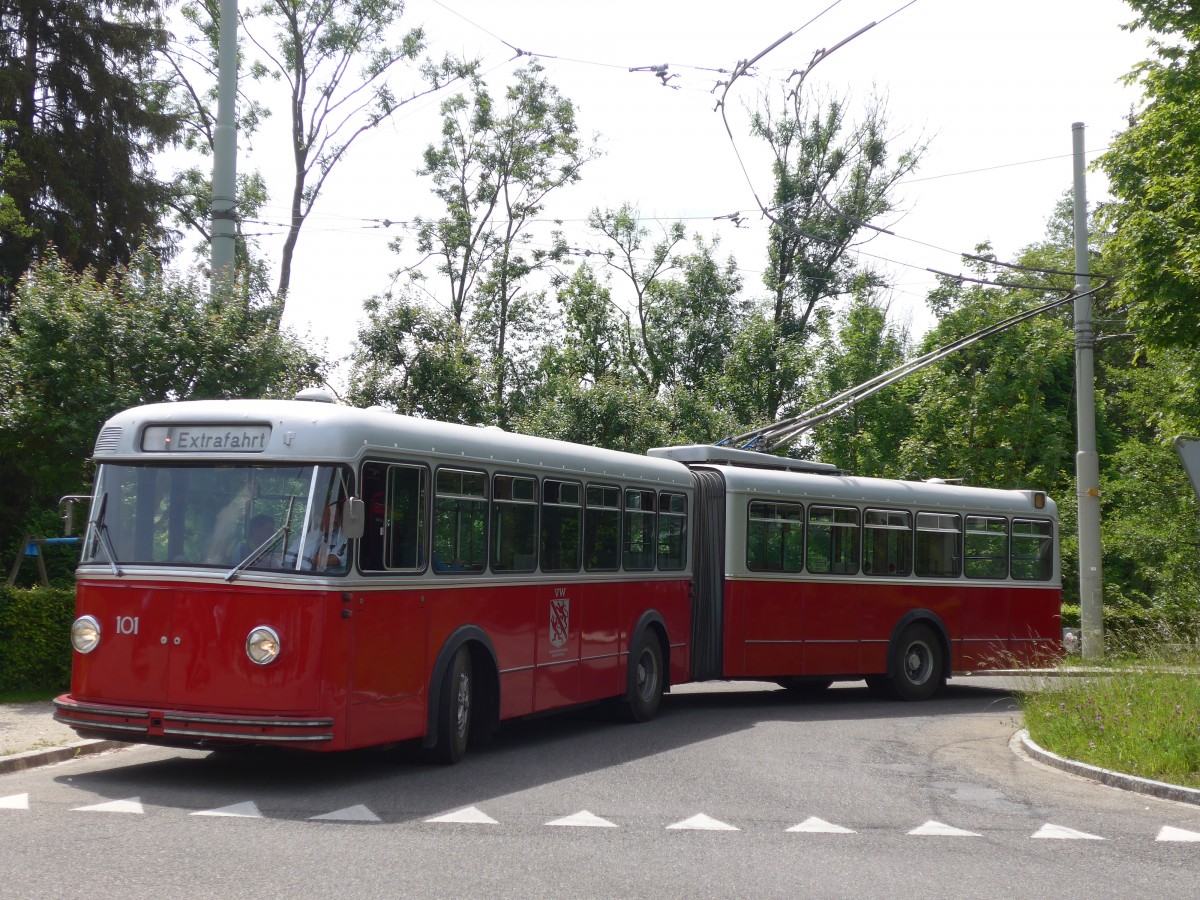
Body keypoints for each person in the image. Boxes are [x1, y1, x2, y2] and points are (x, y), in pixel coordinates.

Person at [300, 500, 348, 572]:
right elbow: (289, 557)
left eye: (337, 515)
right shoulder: (307, 537)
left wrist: (316, 560)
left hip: (331, 579)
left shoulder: (344, 537)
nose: (335, 519)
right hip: (303, 575)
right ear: (318, 518)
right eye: (330, 515)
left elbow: (335, 559)